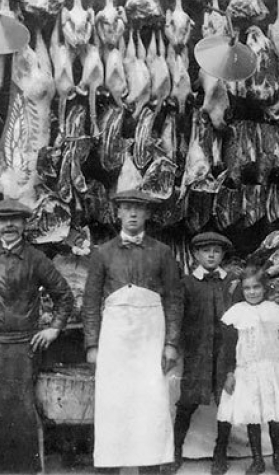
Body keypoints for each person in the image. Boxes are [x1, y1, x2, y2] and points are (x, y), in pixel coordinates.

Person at [0, 199, 73, 473]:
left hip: (23, 348)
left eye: (14, 219)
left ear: (24, 223)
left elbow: (64, 296)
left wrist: (54, 328)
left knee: (21, 417)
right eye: (2, 220)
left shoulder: (36, 259)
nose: (8, 225)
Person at [83, 189, 183, 472]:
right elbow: (90, 301)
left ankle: (149, 466)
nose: (133, 214)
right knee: (113, 404)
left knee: (150, 403)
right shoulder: (102, 253)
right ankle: (109, 467)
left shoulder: (162, 253)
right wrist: (92, 345)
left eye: (138, 209)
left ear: (148, 214)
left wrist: (171, 344)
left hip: (150, 337)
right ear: (118, 213)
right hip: (115, 338)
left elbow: (175, 299)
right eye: (127, 208)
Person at [169, 232, 242, 475]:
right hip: (197, 351)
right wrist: (175, 344)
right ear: (196, 255)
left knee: (226, 402)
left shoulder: (232, 282)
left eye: (216, 251)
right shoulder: (187, 284)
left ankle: (220, 453)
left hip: (225, 353)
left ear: (222, 255)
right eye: (206, 251)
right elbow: (177, 315)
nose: (211, 255)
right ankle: (175, 451)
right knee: (187, 401)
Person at [217, 263, 279, 475]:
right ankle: (257, 460)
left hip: (272, 369)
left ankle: (278, 457)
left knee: (274, 414)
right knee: (253, 414)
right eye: (247, 289)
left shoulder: (276, 312)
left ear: (265, 287)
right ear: (242, 290)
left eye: (256, 287)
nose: (252, 292)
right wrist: (230, 373)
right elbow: (229, 348)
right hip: (247, 370)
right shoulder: (236, 314)